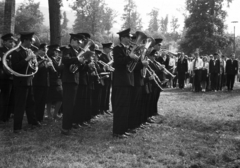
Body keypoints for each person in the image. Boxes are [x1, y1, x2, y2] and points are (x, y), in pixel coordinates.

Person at [11, 32, 41, 133]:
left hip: (29, 80)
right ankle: (17, 128)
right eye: (31, 40)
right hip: (20, 81)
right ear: (25, 40)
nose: (32, 43)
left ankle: (33, 122)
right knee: (20, 105)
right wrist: (27, 59)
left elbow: (32, 65)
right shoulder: (16, 52)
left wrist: (34, 62)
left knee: (31, 103)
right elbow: (15, 67)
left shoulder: (29, 51)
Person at [112, 28, 138, 138]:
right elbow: (118, 63)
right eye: (128, 37)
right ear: (122, 38)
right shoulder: (117, 49)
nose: (130, 39)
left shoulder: (127, 49)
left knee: (126, 107)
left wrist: (135, 58)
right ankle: (117, 131)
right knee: (120, 107)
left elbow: (130, 64)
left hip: (128, 80)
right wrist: (129, 57)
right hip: (121, 81)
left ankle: (123, 129)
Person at [61, 33, 85, 135]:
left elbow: (78, 68)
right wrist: (77, 59)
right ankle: (65, 128)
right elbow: (65, 60)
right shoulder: (68, 50)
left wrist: (84, 63)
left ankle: (70, 125)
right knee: (68, 105)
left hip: (75, 79)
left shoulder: (77, 51)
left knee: (73, 104)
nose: (80, 45)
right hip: (69, 80)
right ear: (73, 41)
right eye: (78, 42)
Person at [32, 43, 51, 124]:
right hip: (38, 83)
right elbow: (35, 69)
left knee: (43, 102)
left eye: (46, 50)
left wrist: (50, 65)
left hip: (45, 83)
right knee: (37, 101)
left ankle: (40, 118)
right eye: (43, 50)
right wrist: (44, 62)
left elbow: (49, 72)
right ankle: (35, 119)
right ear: (39, 50)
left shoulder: (46, 59)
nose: (45, 52)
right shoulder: (36, 58)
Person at [0, 33, 16, 123]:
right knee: (5, 98)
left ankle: (8, 115)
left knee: (11, 97)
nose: (12, 44)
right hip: (4, 78)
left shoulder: (12, 52)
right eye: (10, 42)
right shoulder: (1, 51)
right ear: (4, 42)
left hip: (12, 77)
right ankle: (2, 117)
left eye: (13, 42)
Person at [46, 44, 64, 121]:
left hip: (56, 81)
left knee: (60, 98)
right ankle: (49, 114)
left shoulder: (54, 59)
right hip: (51, 81)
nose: (57, 53)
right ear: (52, 51)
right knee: (50, 99)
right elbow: (55, 70)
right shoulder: (50, 59)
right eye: (56, 51)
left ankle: (54, 114)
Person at [99, 43, 114, 115]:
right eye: (109, 48)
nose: (110, 50)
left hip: (110, 76)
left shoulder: (110, 57)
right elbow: (102, 67)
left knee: (108, 93)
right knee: (104, 93)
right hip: (104, 77)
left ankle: (106, 108)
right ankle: (102, 109)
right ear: (105, 48)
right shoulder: (102, 56)